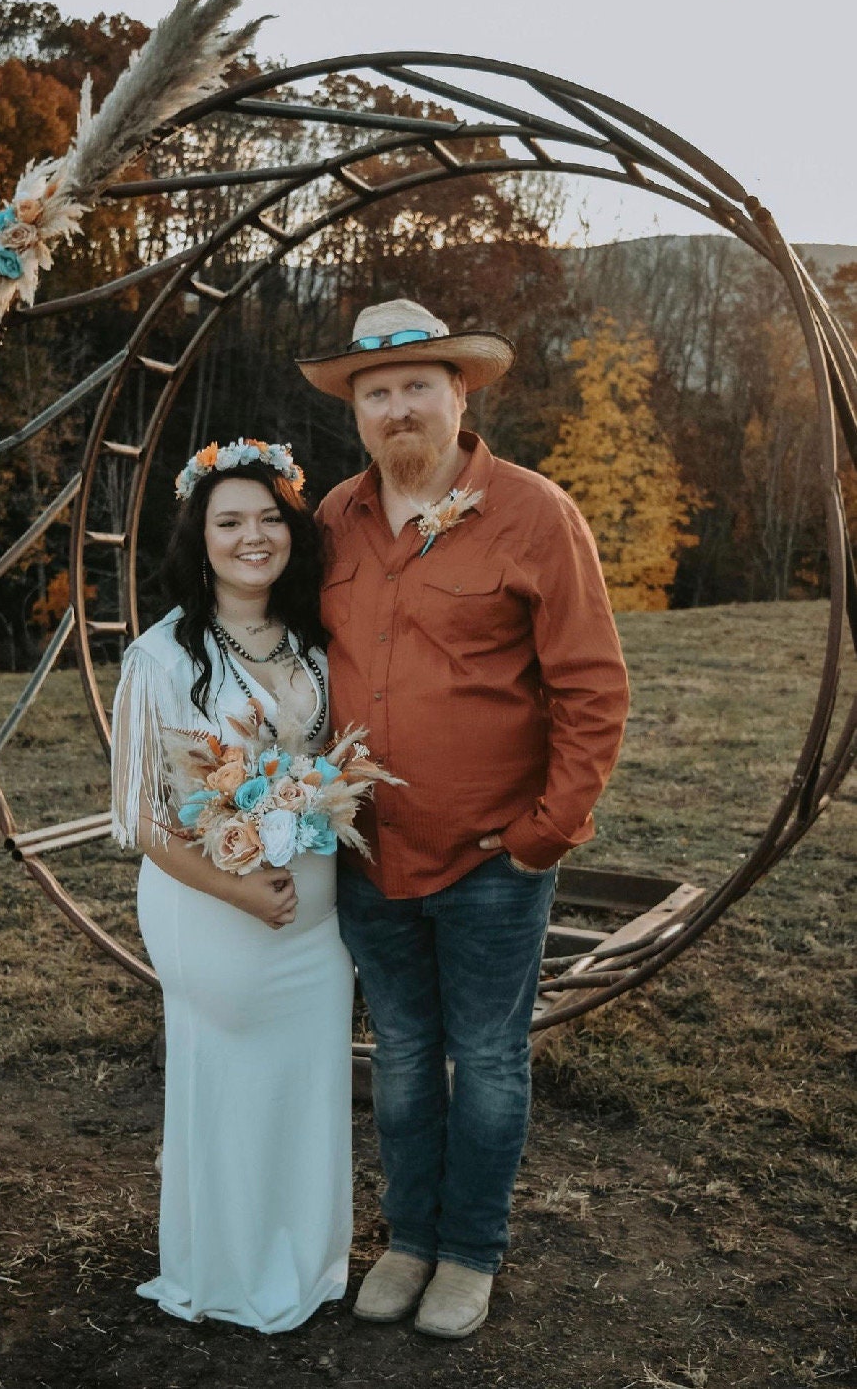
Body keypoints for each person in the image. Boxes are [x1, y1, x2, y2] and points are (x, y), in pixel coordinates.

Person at [297, 299, 631, 1340]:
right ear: (356, 412)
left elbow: (593, 688)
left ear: (461, 394)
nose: (398, 408)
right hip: (370, 850)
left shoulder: (535, 513)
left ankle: (472, 1252)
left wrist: (545, 830)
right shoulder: (334, 520)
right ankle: (407, 1238)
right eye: (377, 392)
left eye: (417, 387)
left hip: (494, 852)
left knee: (485, 1058)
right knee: (399, 1055)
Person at [109, 440, 354, 1333]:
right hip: (211, 909)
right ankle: (221, 1270)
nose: (253, 537)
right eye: (229, 522)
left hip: (315, 920)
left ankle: (307, 1262)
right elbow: (139, 816)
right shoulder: (162, 657)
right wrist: (240, 890)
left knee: (306, 1082)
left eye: (269, 518)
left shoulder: (320, 644)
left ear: (293, 529)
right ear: (198, 536)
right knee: (229, 1079)